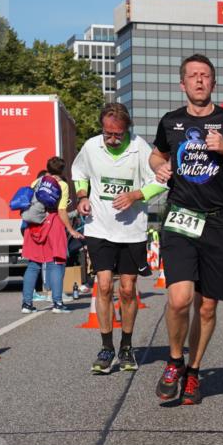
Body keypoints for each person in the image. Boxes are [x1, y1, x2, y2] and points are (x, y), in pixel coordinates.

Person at [150, 54, 223, 405]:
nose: (199, 81)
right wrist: (160, 167)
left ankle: (194, 371)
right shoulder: (171, 121)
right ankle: (174, 361)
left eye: (205, 76)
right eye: (192, 76)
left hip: (216, 221)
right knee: (180, 299)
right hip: (181, 217)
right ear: (182, 84)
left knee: (208, 307)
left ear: (213, 83)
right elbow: (157, 154)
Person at [72, 102, 165, 374]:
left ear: (128, 130)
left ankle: (126, 345)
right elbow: (80, 173)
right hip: (99, 226)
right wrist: (82, 197)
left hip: (131, 229)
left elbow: (161, 181)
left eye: (118, 135)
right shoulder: (91, 146)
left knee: (127, 288)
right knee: (102, 285)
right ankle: (106, 346)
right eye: (107, 134)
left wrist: (135, 195)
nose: (112, 139)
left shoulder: (141, 149)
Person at [21, 157, 82, 313]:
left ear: (47, 167)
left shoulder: (37, 182)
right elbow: (61, 211)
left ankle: (27, 304)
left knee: (33, 265)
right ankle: (57, 303)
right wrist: (71, 230)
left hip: (34, 225)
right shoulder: (62, 185)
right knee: (56, 263)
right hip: (53, 223)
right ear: (62, 170)